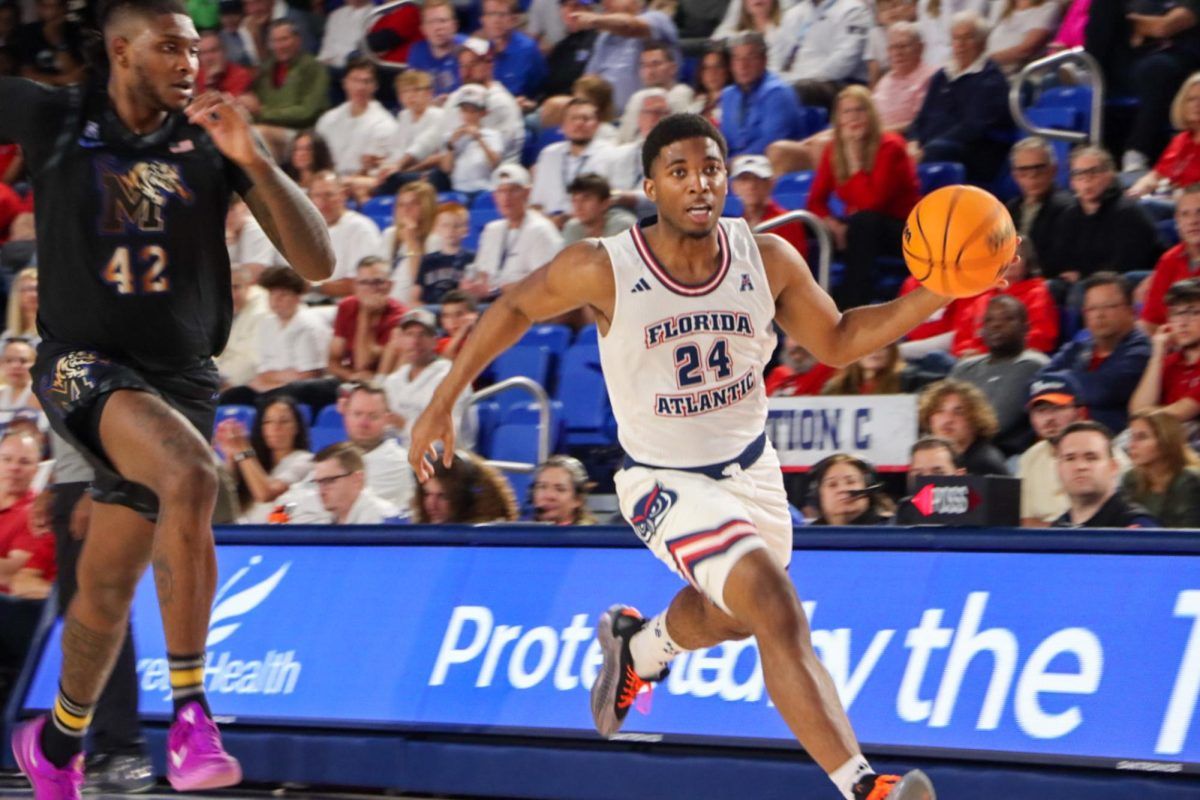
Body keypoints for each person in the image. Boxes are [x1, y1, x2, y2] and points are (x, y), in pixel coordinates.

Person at [410, 112, 996, 800]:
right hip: (663, 481)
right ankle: (866, 788)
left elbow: (838, 339)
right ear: (652, 185)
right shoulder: (603, 265)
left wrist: (938, 290)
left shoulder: (768, 256)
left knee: (744, 615)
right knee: (775, 605)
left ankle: (641, 648)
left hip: (753, 470)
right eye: (680, 172)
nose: (699, 184)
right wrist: (444, 397)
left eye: (711, 169)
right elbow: (512, 307)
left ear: (728, 179)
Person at [0, 1, 336, 792]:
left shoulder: (213, 139)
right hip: (82, 364)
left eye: (196, 48)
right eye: (171, 48)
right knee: (192, 475)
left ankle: (54, 741)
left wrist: (254, 159)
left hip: (180, 378)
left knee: (107, 586)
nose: (191, 62)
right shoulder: (56, 117)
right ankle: (191, 718)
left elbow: (316, 263)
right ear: (121, 51)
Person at [43, 434, 152, 793]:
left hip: (98, 486)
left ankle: (123, 748)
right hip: (75, 484)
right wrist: (54, 481)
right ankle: (106, 748)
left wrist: (97, 489)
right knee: (82, 622)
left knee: (100, 618)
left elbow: (112, 413)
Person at [807, 85, 919, 308]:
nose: (854, 117)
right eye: (847, 112)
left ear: (871, 113)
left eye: (860, 110)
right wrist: (831, 223)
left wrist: (856, 160)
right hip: (862, 226)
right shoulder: (833, 149)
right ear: (838, 119)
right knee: (807, 225)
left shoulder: (891, 146)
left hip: (905, 231)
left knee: (863, 222)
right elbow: (815, 201)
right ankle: (808, 299)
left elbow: (873, 202)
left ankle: (854, 303)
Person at [910, 11, 1014, 183]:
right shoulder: (941, 76)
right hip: (930, 147)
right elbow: (921, 118)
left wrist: (925, 149)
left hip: (973, 153)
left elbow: (973, 127)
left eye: (968, 38)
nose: (960, 44)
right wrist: (912, 142)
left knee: (935, 151)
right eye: (956, 38)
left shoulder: (991, 79)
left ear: (982, 42)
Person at [1041, 272, 1152, 432]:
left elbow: (1104, 390)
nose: (1099, 315)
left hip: (1113, 440)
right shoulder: (1079, 346)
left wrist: (1061, 382)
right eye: (1092, 309)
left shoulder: (1140, 350)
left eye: (1109, 306)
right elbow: (1038, 382)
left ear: (1130, 310)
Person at [1041, 147, 1161, 283]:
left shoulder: (1128, 212)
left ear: (1110, 175)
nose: (1087, 180)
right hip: (1077, 282)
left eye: (1093, 172)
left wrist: (1082, 275)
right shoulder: (1069, 215)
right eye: (1079, 174)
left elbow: (1125, 265)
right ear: (1072, 182)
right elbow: (1056, 260)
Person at [949, 295, 1048, 455]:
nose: (996, 325)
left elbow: (995, 425)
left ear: (1025, 328)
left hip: (1003, 456)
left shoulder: (1032, 365)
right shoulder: (964, 367)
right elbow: (937, 412)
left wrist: (949, 429)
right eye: (989, 320)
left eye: (1007, 319)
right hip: (956, 451)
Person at [467, 164, 564, 297]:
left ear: (527, 193)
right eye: (501, 191)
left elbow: (543, 283)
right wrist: (470, 284)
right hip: (492, 305)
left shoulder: (542, 230)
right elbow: (481, 272)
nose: (506, 198)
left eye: (513, 190)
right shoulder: (492, 230)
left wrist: (496, 290)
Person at [381, 308, 474, 446]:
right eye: (409, 334)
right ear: (401, 340)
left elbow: (448, 439)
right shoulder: (393, 381)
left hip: (446, 461)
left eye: (423, 335)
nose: (415, 341)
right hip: (399, 459)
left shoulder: (452, 379)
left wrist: (404, 425)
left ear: (435, 341)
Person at [951, 239, 1059, 357]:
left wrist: (982, 353)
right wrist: (964, 352)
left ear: (1027, 263)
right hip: (971, 361)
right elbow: (963, 335)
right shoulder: (983, 298)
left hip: (1014, 359)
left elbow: (1042, 337)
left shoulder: (1038, 294)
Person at [215, 395, 313, 523]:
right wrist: (231, 457)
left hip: (270, 533)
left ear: (297, 427)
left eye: (284, 421)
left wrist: (243, 450)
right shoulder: (254, 462)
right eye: (268, 422)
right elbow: (226, 495)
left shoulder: (304, 459)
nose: (275, 427)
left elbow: (265, 494)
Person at [1052, 421, 1158, 528]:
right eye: (1070, 458)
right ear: (1059, 468)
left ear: (1113, 467)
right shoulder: (1055, 530)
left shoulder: (1137, 526)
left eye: (1091, 458)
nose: (1080, 466)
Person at [719, 32, 803, 157]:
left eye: (750, 57)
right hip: (732, 166)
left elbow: (772, 142)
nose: (743, 65)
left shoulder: (778, 93)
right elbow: (724, 140)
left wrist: (733, 162)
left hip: (767, 164)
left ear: (764, 60)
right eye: (737, 58)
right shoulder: (728, 95)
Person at [1131, 277, 1200, 423]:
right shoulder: (1170, 362)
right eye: (1176, 313)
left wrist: (1147, 415)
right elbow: (1137, 411)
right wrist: (1157, 356)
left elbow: (1179, 413)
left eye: (1193, 312)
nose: (1182, 322)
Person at [314, 58, 399, 177]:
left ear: (375, 86)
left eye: (367, 81)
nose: (360, 87)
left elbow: (373, 171)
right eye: (355, 80)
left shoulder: (385, 124)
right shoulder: (327, 119)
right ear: (345, 83)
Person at [308, 171, 384, 297]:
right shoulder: (308, 230)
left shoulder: (360, 228)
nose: (322, 202)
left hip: (343, 303)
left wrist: (311, 287)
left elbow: (359, 284)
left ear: (342, 195)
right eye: (317, 196)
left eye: (329, 195)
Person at [531, 97, 604, 222]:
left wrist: (566, 220)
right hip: (548, 227)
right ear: (563, 125)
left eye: (585, 119)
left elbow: (610, 202)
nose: (579, 123)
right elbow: (536, 203)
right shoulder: (548, 154)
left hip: (588, 228)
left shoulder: (611, 154)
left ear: (597, 124)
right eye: (573, 118)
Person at [1122, 409, 1200, 527]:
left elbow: (1187, 535)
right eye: (1132, 437)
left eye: (1142, 437)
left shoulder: (1190, 480)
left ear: (1165, 441)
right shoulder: (1131, 479)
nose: (1131, 445)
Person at [246, 19, 329, 130]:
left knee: (258, 132)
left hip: (302, 133)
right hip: (269, 128)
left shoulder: (313, 67)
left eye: (284, 39)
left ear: (298, 40)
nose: (279, 46)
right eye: (274, 41)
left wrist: (262, 112)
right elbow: (253, 102)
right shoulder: (266, 68)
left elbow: (306, 112)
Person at [1004, 137, 1072, 273]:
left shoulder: (1067, 207)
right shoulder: (1010, 208)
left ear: (1054, 169)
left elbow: (1058, 259)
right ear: (1015, 175)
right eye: (1024, 170)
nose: (1032, 176)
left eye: (1039, 169)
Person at [1128, 73, 1200, 197]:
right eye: (1191, 99)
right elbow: (1156, 176)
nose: (1196, 104)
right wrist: (1136, 191)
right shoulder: (1180, 140)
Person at [1139, 186, 1200, 334]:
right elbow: (1149, 321)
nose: (1193, 221)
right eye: (1185, 215)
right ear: (1177, 223)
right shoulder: (1169, 260)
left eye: (1199, 213)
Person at [918, 378, 1008, 475]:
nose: (947, 420)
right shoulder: (925, 462)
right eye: (939, 411)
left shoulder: (985, 464)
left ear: (976, 419)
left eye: (958, 412)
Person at [728, 154, 808, 259]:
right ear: (734, 186)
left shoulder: (787, 221)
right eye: (744, 180)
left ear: (770, 184)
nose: (751, 186)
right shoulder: (734, 226)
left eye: (758, 179)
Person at [412, 449, 520, 523]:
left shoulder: (489, 540)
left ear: (467, 496)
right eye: (427, 494)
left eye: (443, 496)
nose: (432, 505)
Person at [312, 442, 405, 524]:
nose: (321, 492)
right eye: (318, 482)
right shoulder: (327, 519)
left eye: (329, 481)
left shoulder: (381, 520)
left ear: (357, 480)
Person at [438, 84, 504, 195]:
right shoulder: (451, 136)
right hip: (458, 189)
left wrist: (480, 139)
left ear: (482, 113)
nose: (468, 115)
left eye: (472, 111)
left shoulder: (493, 135)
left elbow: (495, 164)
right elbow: (446, 169)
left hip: (484, 188)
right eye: (464, 111)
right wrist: (451, 144)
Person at [478, 0, 548, 102]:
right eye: (490, 14)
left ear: (513, 19)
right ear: (482, 20)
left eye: (502, 14)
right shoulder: (479, 50)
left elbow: (543, 89)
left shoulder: (527, 49)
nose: (496, 20)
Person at [893, 435, 965, 524]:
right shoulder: (906, 508)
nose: (927, 481)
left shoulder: (980, 511)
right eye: (919, 474)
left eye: (938, 473)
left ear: (960, 475)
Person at [413, 203, 474, 304]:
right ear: (436, 228)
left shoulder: (471, 258)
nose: (451, 230)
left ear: (466, 229)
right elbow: (414, 297)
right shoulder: (427, 261)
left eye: (457, 226)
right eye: (445, 225)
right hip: (430, 311)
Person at [808, 453, 893, 526]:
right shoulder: (806, 537)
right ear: (818, 495)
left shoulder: (890, 530)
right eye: (832, 484)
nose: (842, 489)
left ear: (868, 488)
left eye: (851, 482)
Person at [405, 0, 465, 97]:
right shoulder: (417, 51)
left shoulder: (468, 49)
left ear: (454, 25)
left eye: (442, 21)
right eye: (430, 22)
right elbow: (412, 94)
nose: (437, 27)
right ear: (423, 29)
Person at [984, 0, 1059, 75]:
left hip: (1016, 74)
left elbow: (1026, 50)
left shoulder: (1048, 7)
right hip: (989, 69)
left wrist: (986, 61)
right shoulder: (1004, 6)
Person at [562, 172, 638, 244]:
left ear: (605, 203)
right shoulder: (572, 227)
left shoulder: (623, 225)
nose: (578, 207)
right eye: (574, 200)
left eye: (585, 199)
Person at [821, 342, 910, 395]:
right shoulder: (835, 388)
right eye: (867, 347)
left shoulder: (910, 382)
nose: (875, 351)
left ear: (892, 351)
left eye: (883, 346)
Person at [531, 454, 598, 524]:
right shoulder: (524, 532)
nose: (549, 495)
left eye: (560, 489)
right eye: (542, 487)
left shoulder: (591, 534)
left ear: (578, 499)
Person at [765, 335, 836, 396]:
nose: (796, 344)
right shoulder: (778, 374)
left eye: (804, 337)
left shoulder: (828, 369)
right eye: (792, 336)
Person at [315, 0, 373, 70]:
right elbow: (326, 48)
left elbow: (364, 52)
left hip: (356, 67)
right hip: (328, 66)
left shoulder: (377, 16)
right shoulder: (335, 15)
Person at [3, 265, 37, 344]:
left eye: (38, 289)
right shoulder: (7, 337)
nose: (34, 294)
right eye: (28, 289)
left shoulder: (56, 334)